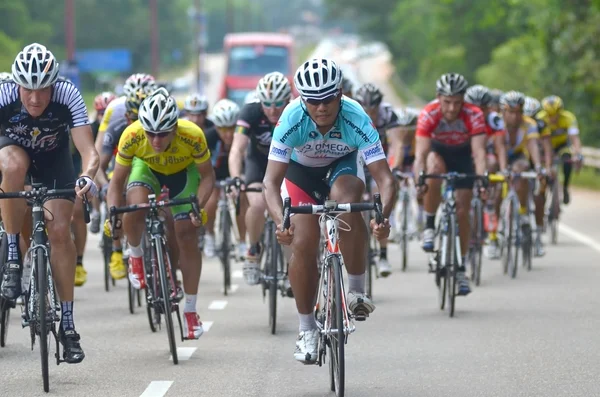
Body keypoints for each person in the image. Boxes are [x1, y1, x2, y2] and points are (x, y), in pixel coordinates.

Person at [263, 58, 396, 364]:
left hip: (342, 167)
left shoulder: (356, 116)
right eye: (312, 101)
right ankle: (307, 329)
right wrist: (279, 222)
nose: (321, 108)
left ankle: (356, 291)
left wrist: (382, 215)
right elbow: (270, 183)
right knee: (303, 241)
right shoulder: (291, 118)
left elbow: (385, 178)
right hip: (300, 173)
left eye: (328, 100)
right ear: (302, 99)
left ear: (340, 94)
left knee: (348, 201)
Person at [0, 43, 99, 363]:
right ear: (17, 84)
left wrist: (87, 176)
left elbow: (89, 151)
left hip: (55, 163)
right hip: (13, 155)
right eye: (27, 89)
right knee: (13, 167)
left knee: (59, 233)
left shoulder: (68, 95)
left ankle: (68, 326)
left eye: (43, 89)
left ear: (53, 84)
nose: (34, 98)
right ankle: (13, 258)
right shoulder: (3, 92)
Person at [107, 88, 215, 339]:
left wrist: (197, 206)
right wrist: (113, 215)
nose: (156, 140)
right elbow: (116, 184)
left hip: (183, 174)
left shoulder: (193, 135)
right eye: (151, 133)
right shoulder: (131, 135)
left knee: (186, 232)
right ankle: (135, 256)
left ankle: (190, 311)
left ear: (175, 129)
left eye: (163, 134)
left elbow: (208, 177)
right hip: (147, 171)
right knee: (134, 208)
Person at [414, 73, 487, 296]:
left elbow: (479, 152)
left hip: (463, 155)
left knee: (463, 211)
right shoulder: (429, 113)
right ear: (438, 98)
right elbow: (421, 153)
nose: (452, 108)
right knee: (432, 170)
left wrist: (483, 179)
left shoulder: (473, 114)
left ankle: (461, 268)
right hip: (438, 152)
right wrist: (420, 179)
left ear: (464, 100)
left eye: (457, 102)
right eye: (447, 102)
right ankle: (428, 226)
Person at [229, 71, 292, 285]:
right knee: (256, 203)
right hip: (258, 162)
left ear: (288, 100)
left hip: (287, 164)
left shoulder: (295, 112)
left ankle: (293, 265)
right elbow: (237, 150)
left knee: (288, 212)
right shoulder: (250, 112)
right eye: (267, 103)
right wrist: (236, 178)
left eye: (278, 103)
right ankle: (253, 249)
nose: (273, 109)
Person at [95, 75, 157, 280]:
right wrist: (105, 187)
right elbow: (99, 164)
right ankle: (116, 250)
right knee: (118, 193)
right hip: (122, 168)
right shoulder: (116, 124)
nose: (136, 125)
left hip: (149, 169)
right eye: (132, 118)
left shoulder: (161, 119)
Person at [354, 83, 402, 277]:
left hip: (377, 162)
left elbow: (396, 144)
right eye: (365, 109)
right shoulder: (351, 114)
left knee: (381, 196)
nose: (370, 114)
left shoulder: (388, 115)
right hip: (356, 160)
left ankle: (383, 255)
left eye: (372, 110)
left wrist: (395, 168)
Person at [69, 91, 116, 286]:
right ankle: (96, 212)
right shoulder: (94, 127)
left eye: (108, 112)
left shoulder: (121, 126)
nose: (104, 116)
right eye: (100, 112)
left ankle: (78, 261)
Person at [495, 91, 549, 256]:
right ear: (503, 111)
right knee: (496, 191)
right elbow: (500, 147)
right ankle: (493, 232)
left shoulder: (529, 123)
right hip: (498, 154)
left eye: (518, 112)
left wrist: (539, 166)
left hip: (518, 155)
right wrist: (503, 170)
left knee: (522, 169)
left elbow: (533, 145)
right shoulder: (497, 122)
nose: (515, 116)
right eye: (511, 112)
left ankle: (523, 212)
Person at [201, 99, 247, 258]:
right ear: (216, 127)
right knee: (210, 202)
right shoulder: (208, 137)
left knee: (241, 200)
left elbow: (250, 162)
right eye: (223, 129)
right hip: (214, 176)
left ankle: (242, 242)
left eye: (232, 128)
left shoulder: (243, 136)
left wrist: (243, 179)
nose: (228, 134)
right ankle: (210, 236)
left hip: (236, 175)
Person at [536, 95, 583, 205]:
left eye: (555, 114)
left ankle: (565, 187)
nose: (552, 118)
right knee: (544, 168)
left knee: (567, 159)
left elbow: (574, 138)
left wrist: (578, 154)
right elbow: (535, 139)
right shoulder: (539, 118)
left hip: (562, 146)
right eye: (549, 114)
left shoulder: (568, 118)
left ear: (560, 111)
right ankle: (542, 190)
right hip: (545, 147)